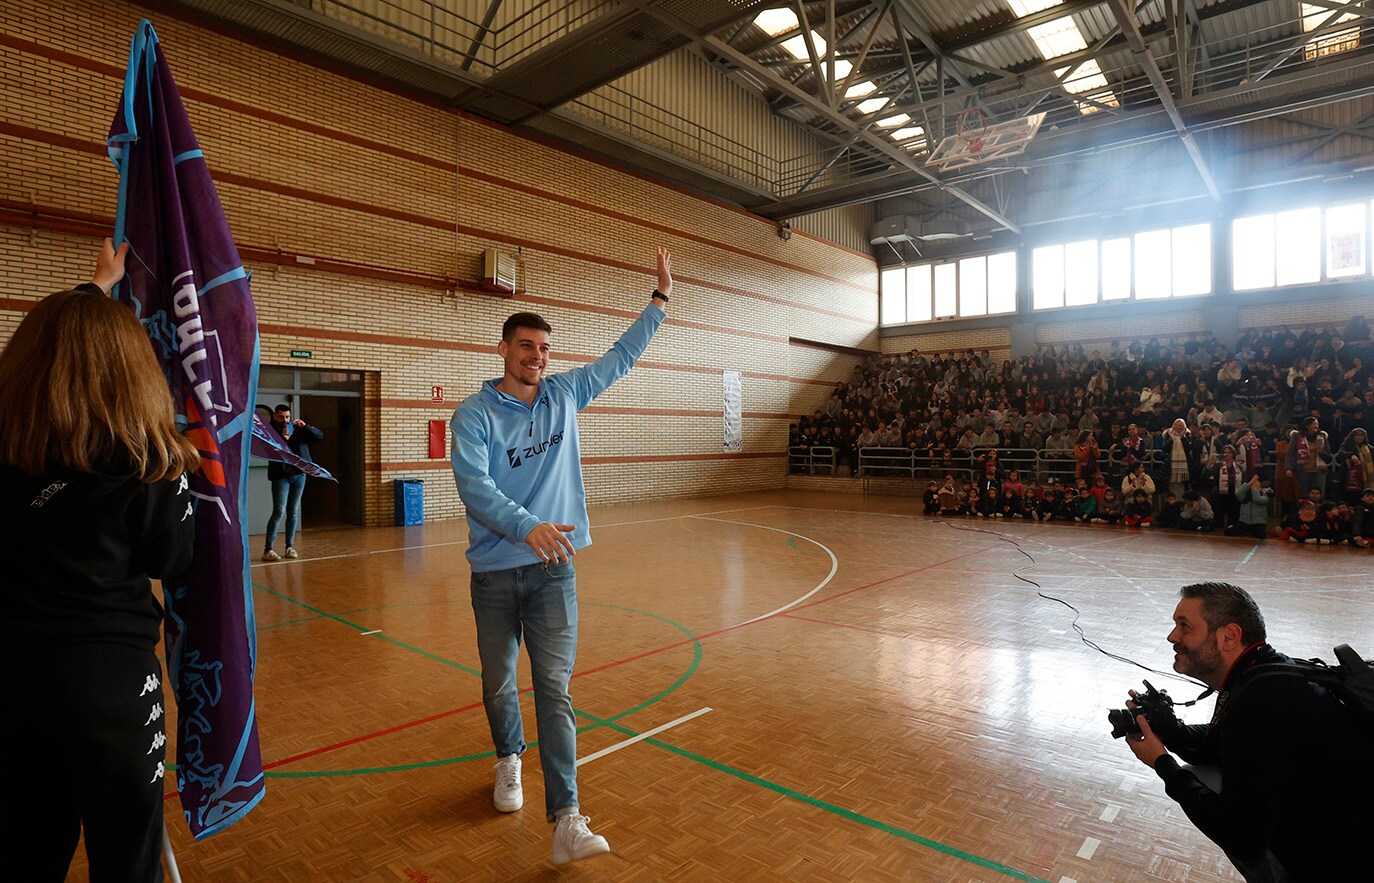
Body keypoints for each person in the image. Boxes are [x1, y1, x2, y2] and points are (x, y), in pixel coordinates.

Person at [450, 248, 672, 865]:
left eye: (543, 350)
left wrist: (659, 300)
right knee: (499, 684)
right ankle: (507, 762)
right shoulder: (472, 415)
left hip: (555, 573)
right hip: (494, 574)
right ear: (503, 349)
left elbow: (620, 358)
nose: (536, 358)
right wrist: (529, 527)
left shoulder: (566, 395)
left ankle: (567, 818)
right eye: (525, 347)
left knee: (554, 689)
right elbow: (476, 489)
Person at [0, 239, 198, 882]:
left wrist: (96, 289)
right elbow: (174, 557)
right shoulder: (143, 459)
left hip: (13, 679)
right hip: (108, 684)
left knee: (28, 841)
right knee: (126, 855)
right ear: (129, 368)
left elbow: (67, 347)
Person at [1120, 582, 1374, 880]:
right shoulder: (1264, 671)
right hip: (1345, 827)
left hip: (1348, 862)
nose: (1172, 636)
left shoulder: (1261, 705)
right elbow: (1219, 746)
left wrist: (1163, 764)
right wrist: (1171, 731)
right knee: (1205, 772)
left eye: (1184, 626)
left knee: (1203, 782)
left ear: (1229, 636)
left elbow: (1242, 839)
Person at [262, 404, 324, 561]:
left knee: (293, 511)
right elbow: (267, 448)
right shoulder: (270, 432)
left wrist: (306, 426)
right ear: (275, 416)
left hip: (299, 475)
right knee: (279, 511)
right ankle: (268, 549)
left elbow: (319, 436)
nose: (284, 420)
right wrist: (282, 438)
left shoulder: (300, 431)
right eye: (281, 417)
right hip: (280, 476)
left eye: (287, 417)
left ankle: (289, 546)